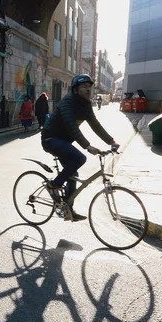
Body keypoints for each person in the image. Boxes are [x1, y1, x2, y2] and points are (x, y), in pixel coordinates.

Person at [41, 74, 119, 222]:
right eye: (84, 86)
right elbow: (71, 127)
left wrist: (111, 141)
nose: (88, 89)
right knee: (80, 158)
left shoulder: (86, 105)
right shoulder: (67, 103)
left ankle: (68, 210)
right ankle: (54, 185)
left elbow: (95, 125)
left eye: (90, 86)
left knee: (72, 175)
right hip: (50, 139)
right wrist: (87, 146)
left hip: (64, 142)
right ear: (76, 89)